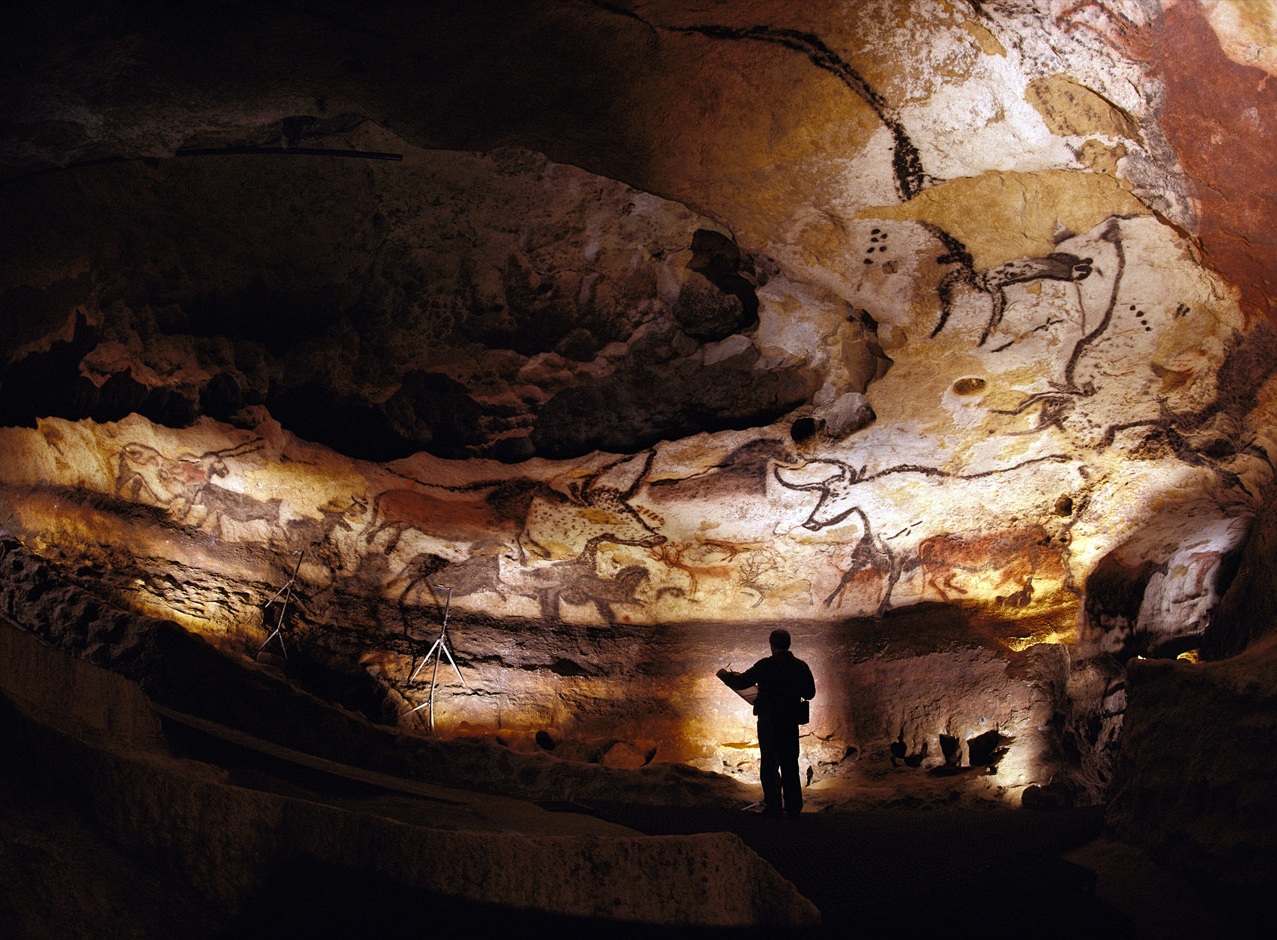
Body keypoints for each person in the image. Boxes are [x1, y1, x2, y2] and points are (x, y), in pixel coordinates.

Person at [717, 628, 816, 817]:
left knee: (770, 764)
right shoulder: (800, 666)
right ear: (789, 644)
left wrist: (725, 676)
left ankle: (773, 806)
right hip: (790, 721)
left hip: (769, 721)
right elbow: (810, 693)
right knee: (790, 764)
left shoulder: (766, 665)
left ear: (772, 645)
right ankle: (794, 808)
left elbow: (742, 682)